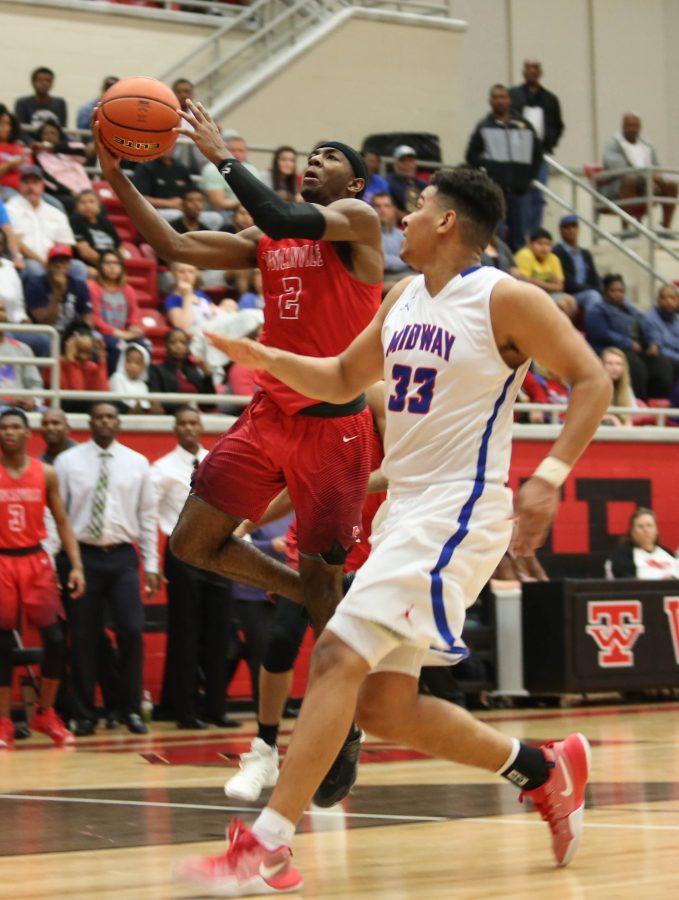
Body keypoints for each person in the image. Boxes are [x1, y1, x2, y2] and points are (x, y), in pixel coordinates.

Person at [176, 165, 612, 894]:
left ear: (446, 222)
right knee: (384, 705)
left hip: (459, 508)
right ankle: (542, 768)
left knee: (338, 653)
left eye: (415, 208)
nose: (401, 219)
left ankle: (268, 845)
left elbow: (591, 378)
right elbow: (343, 377)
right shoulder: (405, 295)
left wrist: (550, 476)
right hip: (408, 508)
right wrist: (267, 359)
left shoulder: (506, 297)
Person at [94, 100, 382, 805]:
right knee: (194, 541)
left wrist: (221, 154)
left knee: (319, 575)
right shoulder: (267, 238)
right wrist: (118, 178)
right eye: (308, 153)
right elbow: (176, 246)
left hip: (335, 428)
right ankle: (316, 595)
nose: (314, 160)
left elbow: (284, 217)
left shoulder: (358, 225)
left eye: (329, 155)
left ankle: (341, 727)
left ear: (352, 183)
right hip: (269, 414)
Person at [224, 381, 386, 803]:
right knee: (280, 640)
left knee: (335, 658)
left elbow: (400, 470)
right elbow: (296, 487)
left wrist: (339, 487)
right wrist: (246, 524)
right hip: (309, 548)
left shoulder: (376, 399)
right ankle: (264, 748)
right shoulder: (307, 403)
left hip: (363, 551)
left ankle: (342, 738)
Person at [54, 402, 160, 736]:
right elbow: (57, 515)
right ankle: (85, 712)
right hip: (82, 558)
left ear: (118, 423)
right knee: (83, 637)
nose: (104, 421)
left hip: (122, 558)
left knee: (131, 631)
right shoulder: (67, 462)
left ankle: (128, 709)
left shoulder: (137, 463)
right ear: (90, 422)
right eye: (98, 416)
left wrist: (152, 563)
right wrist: (59, 559)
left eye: (110, 417)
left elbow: (147, 517)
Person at [0, 407, 84, 748]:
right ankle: (4, 720)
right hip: (2, 561)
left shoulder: (45, 473)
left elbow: (63, 522)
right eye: (3, 427)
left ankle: (45, 712)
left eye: (15, 427)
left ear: (26, 433)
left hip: (35, 560)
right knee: (2, 644)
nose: (8, 432)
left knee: (53, 638)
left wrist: (76, 565)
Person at [152, 407, 238, 729]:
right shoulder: (160, 469)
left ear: (201, 427)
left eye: (193, 423)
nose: (188, 428)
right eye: (182, 423)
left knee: (219, 631)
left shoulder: (217, 460)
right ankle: (184, 711)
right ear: (175, 429)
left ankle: (215, 707)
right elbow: (152, 516)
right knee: (186, 634)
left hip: (217, 550)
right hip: (182, 552)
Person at [466, 84, 542, 251]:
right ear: (490, 101)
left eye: (503, 97)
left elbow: (537, 155)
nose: (500, 101)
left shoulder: (524, 125)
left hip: (520, 192)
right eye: (496, 97)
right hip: (495, 191)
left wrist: (527, 178)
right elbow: (471, 156)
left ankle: (515, 273)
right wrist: (490, 169)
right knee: (496, 233)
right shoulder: (484, 126)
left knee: (519, 236)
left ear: (509, 100)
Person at [585, 274, 672, 399]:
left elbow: (647, 325)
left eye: (621, 291)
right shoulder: (597, 310)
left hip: (636, 349)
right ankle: (637, 402)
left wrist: (654, 343)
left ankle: (656, 403)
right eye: (613, 291)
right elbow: (601, 333)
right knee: (636, 367)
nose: (618, 294)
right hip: (611, 349)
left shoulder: (630, 310)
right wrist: (628, 343)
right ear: (604, 291)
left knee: (661, 364)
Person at [510, 60, 564, 233]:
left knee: (538, 195)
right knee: (520, 194)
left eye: (535, 68)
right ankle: (520, 230)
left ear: (540, 72)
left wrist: (549, 142)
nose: (531, 71)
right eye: (528, 68)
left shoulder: (550, 99)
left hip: (540, 154)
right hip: (519, 155)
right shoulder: (514, 95)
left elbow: (558, 125)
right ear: (523, 71)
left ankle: (534, 233)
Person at [6, 165, 87, 280]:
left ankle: (70, 298)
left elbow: (65, 243)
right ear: (20, 185)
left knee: (79, 267)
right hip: (25, 261)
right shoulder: (10, 208)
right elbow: (16, 242)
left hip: (55, 261)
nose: (31, 187)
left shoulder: (56, 212)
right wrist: (43, 263)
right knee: (34, 269)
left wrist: (56, 262)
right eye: (26, 183)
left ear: (43, 185)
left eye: (35, 182)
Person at [601, 113, 677, 231]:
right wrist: (647, 177)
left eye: (635, 125)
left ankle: (666, 229)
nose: (632, 129)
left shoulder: (647, 145)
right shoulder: (613, 144)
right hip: (618, 186)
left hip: (648, 183)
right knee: (630, 180)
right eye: (629, 125)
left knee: (671, 186)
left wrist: (655, 178)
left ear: (640, 127)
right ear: (623, 126)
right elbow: (619, 169)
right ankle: (626, 230)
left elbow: (656, 167)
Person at [88, 248, 143, 370]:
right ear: (100, 266)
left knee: (144, 346)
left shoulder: (128, 290)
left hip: (124, 333)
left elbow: (134, 313)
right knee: (116, 346)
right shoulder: (93, 288)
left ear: (121, 267)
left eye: (116, 263)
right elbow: (95, 319)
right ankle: (112, 383)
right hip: (102, 334)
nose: (112, 267)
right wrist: (119, 333)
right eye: (107, 263)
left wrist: (134, 327)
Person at [23, 244, 93, 337]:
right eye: (55, 261)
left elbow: (87, 317)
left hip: (71, 333)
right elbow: (44, 322)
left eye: (63, 261)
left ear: (69, 265)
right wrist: (57, 293)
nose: (59, 265)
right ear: (48, 264)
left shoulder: (78, 285)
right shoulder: (35, 284)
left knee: (85, 342)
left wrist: (85, 334)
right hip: (44, 333)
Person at [199, 130, 262, 223]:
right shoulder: (212, 169)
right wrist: (244, 204)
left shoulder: (252, 169)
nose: (236, 154)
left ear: (246, 153)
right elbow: (217, 204)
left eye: (240, 151)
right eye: (232, 150)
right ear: (225, 150)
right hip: (222, 213)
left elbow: (258, 197)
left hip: (246, 210)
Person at [514, 228, 577, 319]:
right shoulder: (525, 255)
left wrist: (538, 283)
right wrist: (550, 284)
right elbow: (524, 283)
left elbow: (560, 287)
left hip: (546, 294)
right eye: (539, 243)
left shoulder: (553, 258)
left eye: (548, 244)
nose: (544, 248)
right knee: (560, 304)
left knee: (572, 301)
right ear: (530, 245)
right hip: (527, 295)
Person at [147, 328, 214, 411]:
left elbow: (210, 404)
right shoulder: (156, 370)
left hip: (198, 416)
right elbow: (156, 400)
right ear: (166, 346)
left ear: (187, 347)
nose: (178, 346)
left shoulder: (193, 371)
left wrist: (207, 374)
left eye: (183, 343)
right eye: (173, 342)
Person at [32, 121, 91, 213]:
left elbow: (83, 151)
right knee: (71, 203)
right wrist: (69, 192)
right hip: (61, 193)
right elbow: (47, 180)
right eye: (45, 134)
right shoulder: (39, 156)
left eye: (53, 133)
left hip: (84, 192)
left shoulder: (67, 150)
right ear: (40, 137)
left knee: (99, 205)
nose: (49, 136)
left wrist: (54, 148)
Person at [607, 507, 678, 579]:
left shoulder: (667, 552)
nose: (646, 530)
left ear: (656, 530)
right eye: (640, 526)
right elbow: (626, 584)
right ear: (632, 531)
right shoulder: (622, 555)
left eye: (649, 525)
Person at [0, 298, 43, 410]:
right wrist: (8, 401)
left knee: (51, 415)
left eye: (2, 310)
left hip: (20, 407)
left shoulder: (22, 348)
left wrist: (33, 400)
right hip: (5, 406)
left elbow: (35, 384)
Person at [553, 215, 602, 311]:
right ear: (560, 230)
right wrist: (593, 289)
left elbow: (594, 276)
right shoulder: (557, 251)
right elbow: (568, 283)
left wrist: (601, 289)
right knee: (593, 296)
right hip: (569, 293)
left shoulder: (585, 253)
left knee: (620, 298)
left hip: (587, 290)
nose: (571, 230)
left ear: (578, 229)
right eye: (566, 227)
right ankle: (593, 325)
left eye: (574, 226)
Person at [131, 152, 193, 223]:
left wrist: (188, 205)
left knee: (203, 217)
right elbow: (139, 198)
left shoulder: (181, 168)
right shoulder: (145, 167)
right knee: (177, 215)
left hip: (183, 209)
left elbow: (193, 192)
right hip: (154, 210)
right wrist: (170, 203)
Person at [59, 328, 109, 411]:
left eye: (88, 352)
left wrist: (102, 359)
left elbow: (103, 393)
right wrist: (71, 360)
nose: (83, 357)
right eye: (79, 350)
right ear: (68, 346)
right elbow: (77, 394)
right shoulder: (55, 365)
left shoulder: (90, 366)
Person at [372, 192, 413, 290]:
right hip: (383, 280)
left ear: (393, 209)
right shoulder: (368, 235)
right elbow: (380, 262)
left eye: (387, 206)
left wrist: (407, 260)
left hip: (407, 276)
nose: (382, 210)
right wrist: (405, 261)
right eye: (378, 206)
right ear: (372, 210)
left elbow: (412, 258)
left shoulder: (401, 233)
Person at [70, 189, 121, 268]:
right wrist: (106, 266)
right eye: (82, 202)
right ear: (76, 207)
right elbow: (85, 252)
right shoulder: (75, 221)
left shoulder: (105, 222)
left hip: (112, 264)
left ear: (99, 205)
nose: (87, 205)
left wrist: (117, 263)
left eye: (91, 201)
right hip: (90, 265)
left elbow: (119, 246)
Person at [164, 262, 216, 335]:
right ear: (174, 274)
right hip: (197, 334)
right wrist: (187, 295)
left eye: (191, 272)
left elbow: (215, 312)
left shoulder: (200, 294)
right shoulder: (172, 299)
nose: (187, 276)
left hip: (213, 329)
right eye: (182, 272)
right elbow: (183, 326)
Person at [109, 342, 162, 414]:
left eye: (137, 363)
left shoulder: (143, 385)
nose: (132, 365)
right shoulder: (117, 378)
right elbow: (118, 403)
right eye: (129, 361)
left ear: (144, 366)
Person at [643, 284, 679, 386]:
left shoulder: (677, 318)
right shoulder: (650, 319)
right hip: (664, 362)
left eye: (672, 298)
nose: (668, 301)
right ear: (658, 300)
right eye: (663, 297)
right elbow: (657, 349)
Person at [14, 67, 67, 132]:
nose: (44, 83)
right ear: (33, 83)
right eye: (40, 80)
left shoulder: (60, 103)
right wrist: (32, 142)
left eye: (48, 80)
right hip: (30, 141)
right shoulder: (22, 103)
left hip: (54, 141)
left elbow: (63, 130)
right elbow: (21, 130)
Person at [386, 145, 427, 222]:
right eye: (403, 161)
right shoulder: (388, 182)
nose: (407, 165)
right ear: (395, 164)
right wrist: (411, 220)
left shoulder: (422, 184)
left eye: (410, 161)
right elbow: (388, 207)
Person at [600, 347, 637, 427]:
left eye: (619, 364)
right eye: (609, 363)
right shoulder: (593, 387)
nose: (615, 368)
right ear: (601, 365)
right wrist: (612, 419)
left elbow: (629, 417)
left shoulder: (626, 388)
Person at [0, 107, 31, 201]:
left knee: (56, 205)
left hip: (27, 189)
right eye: (2, 123)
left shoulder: (20, 147)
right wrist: (10, 165)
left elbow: (32, 171)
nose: (7, 128)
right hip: (5, 188)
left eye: (8, 124)